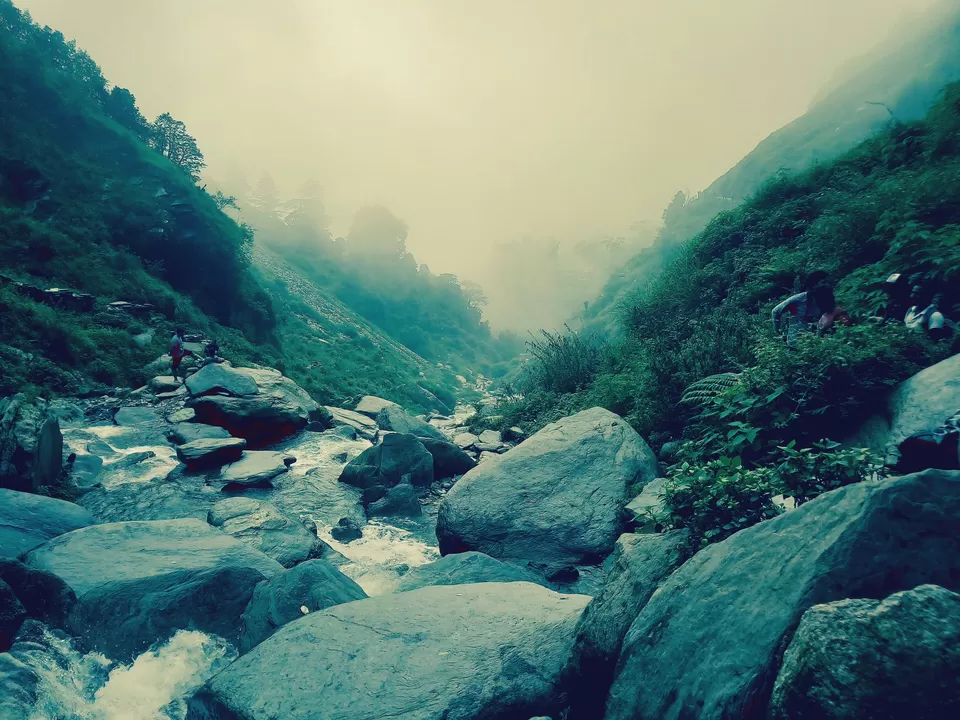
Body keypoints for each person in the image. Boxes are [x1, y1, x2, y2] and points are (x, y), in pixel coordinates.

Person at [772, 275, 835, 346]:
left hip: (817, 343)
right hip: (796, 342)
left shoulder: (827, 300)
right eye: (823, 282)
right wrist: (778, 332)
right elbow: (775, 311)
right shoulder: (799, 299)